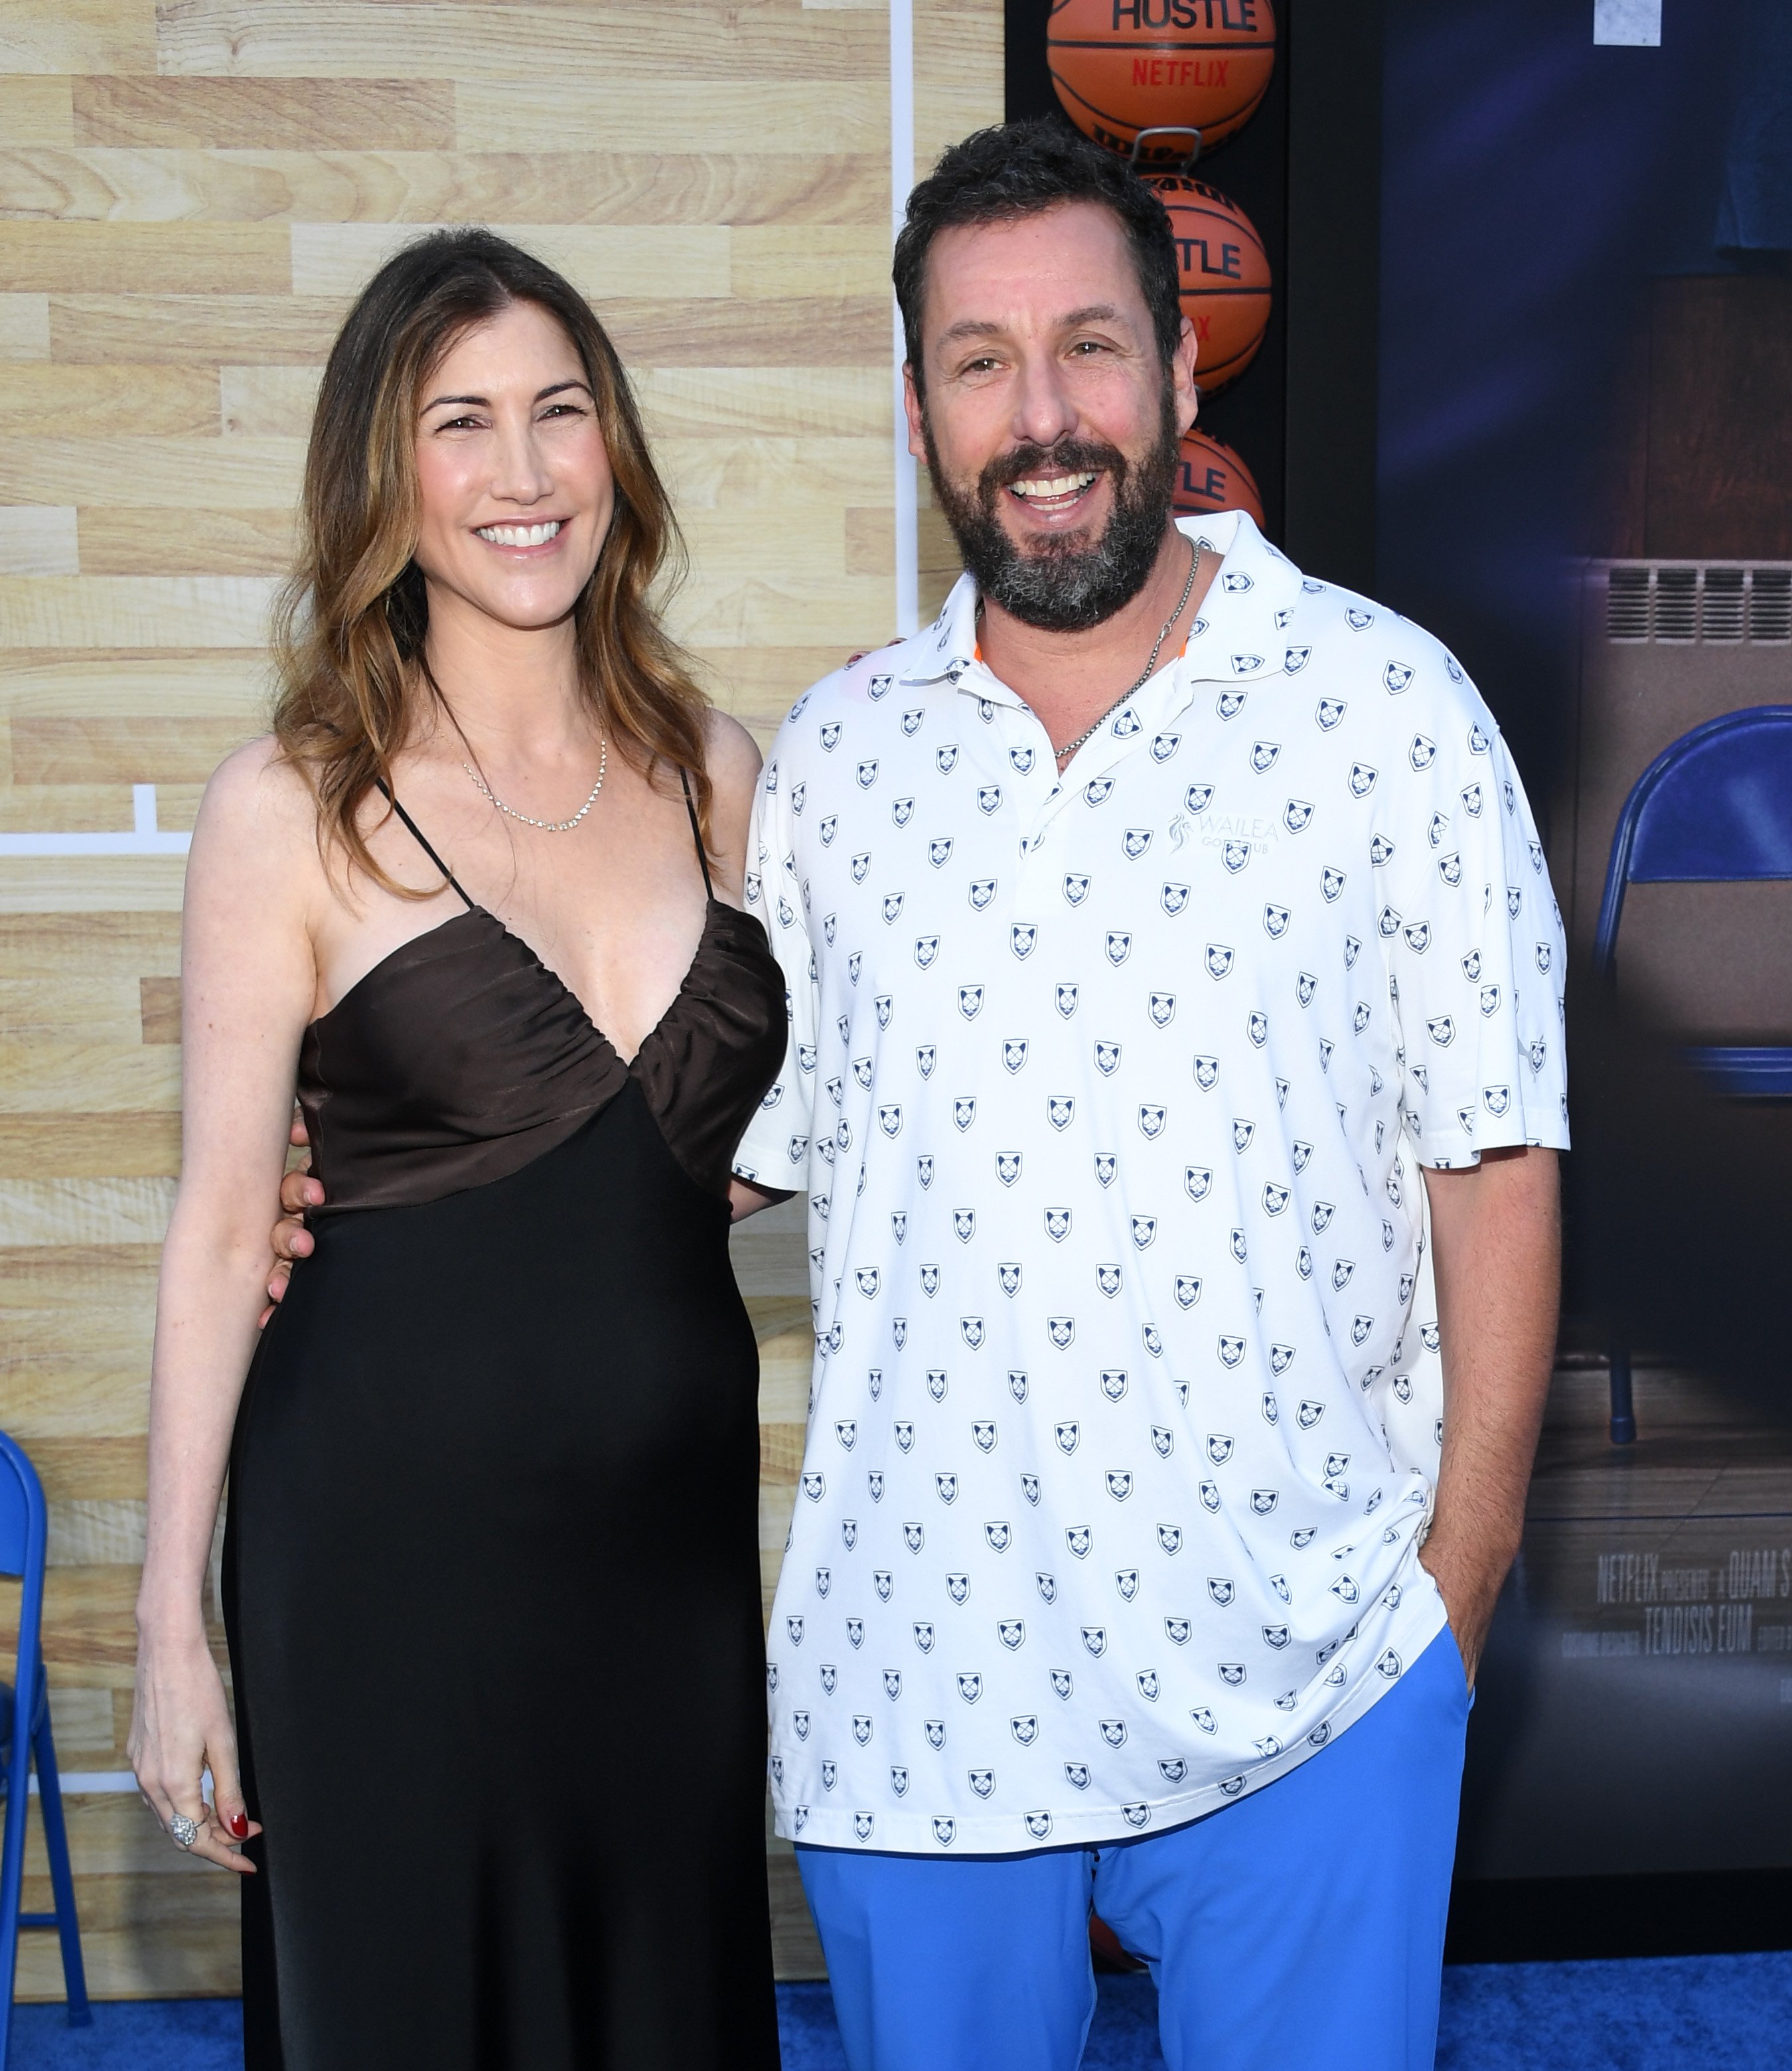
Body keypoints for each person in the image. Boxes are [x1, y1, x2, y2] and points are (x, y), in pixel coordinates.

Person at [724, 122, 1566, 2070]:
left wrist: (1455, 1604)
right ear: (920, 407)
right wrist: (384, 1180)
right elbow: (725, 1153)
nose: (1042, 415)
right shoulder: (839, 765)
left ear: (1183, 375)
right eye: (977, 359)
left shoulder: (1387, 709)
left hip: (1320, 1675)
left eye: (1089, 346)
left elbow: (1494, 1160)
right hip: (914, 1688)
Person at [130, 228, 787, 2070]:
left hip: (664, 1563)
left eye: (560, 414)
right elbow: (211, 1234)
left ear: (616, 453)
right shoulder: (292, 808)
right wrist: (172, 1626)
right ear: (384, 472)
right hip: (380, 1557)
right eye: (461, 422)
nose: (521, 473)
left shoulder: (722, 773)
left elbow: (768, 1122)